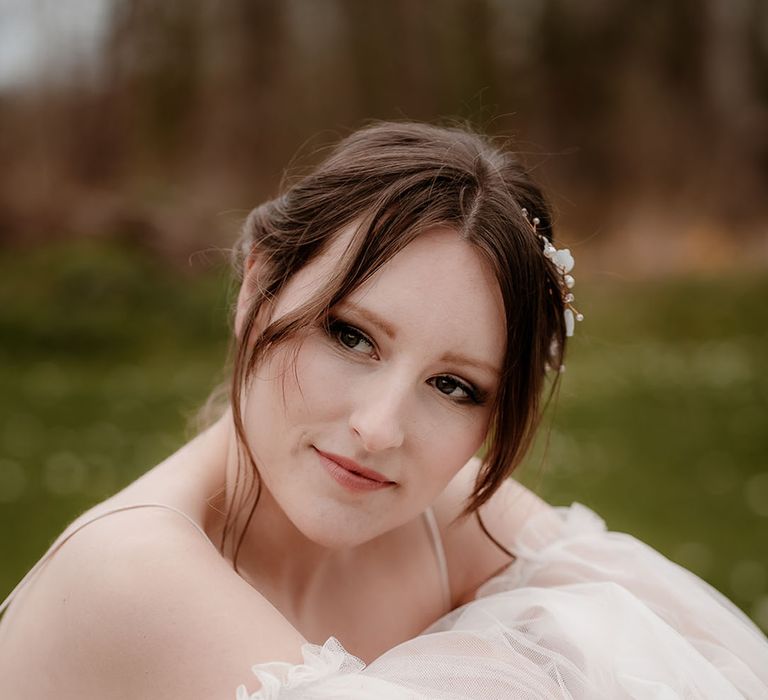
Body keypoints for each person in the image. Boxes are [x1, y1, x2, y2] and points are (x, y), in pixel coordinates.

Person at [0, 121, 766, 699]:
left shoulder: (448, 520)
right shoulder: (131, 573)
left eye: (454, 386)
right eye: (351, 335)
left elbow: (713, 664)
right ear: (258, 285)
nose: (380, 428)